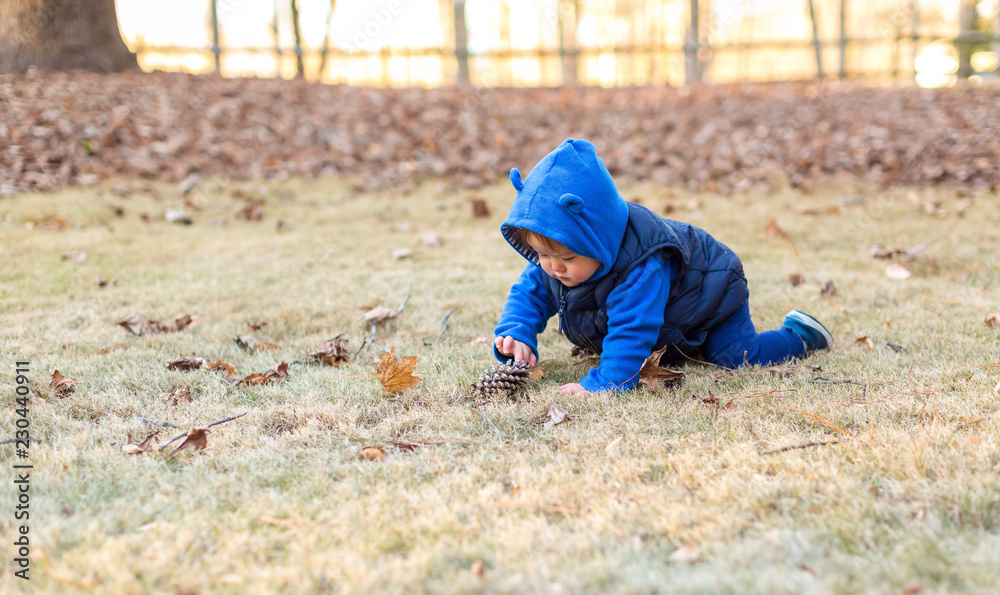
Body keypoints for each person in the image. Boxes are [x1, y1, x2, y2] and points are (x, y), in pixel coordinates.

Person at [492, 138, 832, 395]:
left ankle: (799, 337)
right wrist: (517, 332)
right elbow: (529, 294)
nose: (553, 267)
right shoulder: (552, 261)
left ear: (601, 242)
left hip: (712, 293)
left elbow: (632, 329)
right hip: (672, 314)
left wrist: (605, 383)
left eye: (567, 259)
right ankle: (683, 341)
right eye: (542, 254)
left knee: (734, 356)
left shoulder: (641, 267)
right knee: (679, 346)